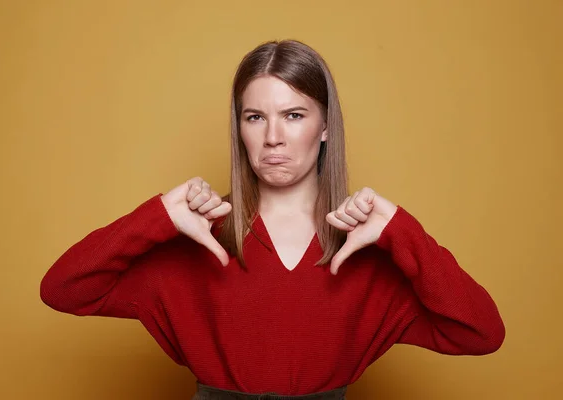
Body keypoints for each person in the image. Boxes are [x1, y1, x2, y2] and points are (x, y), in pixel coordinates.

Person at [40, 39, 505, 400]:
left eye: (294, 114)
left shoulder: (368, 257)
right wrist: (157, 216)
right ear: (239, 128)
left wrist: (402, 231)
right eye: (256, 117)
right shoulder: (197, 247)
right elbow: (63, 289)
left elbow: (482, 333)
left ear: (325, 128)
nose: (274, 138)